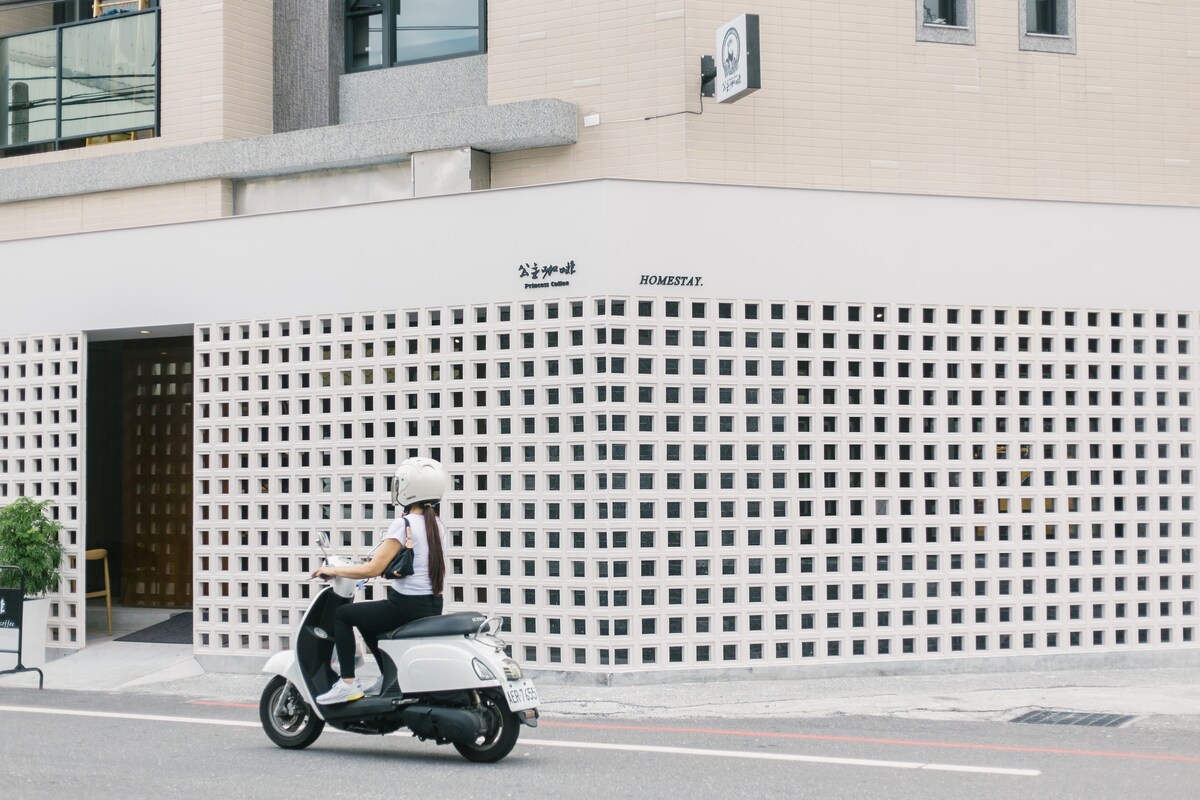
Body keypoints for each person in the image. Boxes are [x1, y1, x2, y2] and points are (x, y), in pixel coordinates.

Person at [310, 456, 448, 704]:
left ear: (408, 487)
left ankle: (347, 683)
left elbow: (372, 569)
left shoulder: (404, 523)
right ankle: (389, 676)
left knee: (343, 615)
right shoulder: (437, 525)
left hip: (405, 606)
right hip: (432, 604)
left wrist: (334, 571)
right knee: (367, 620)